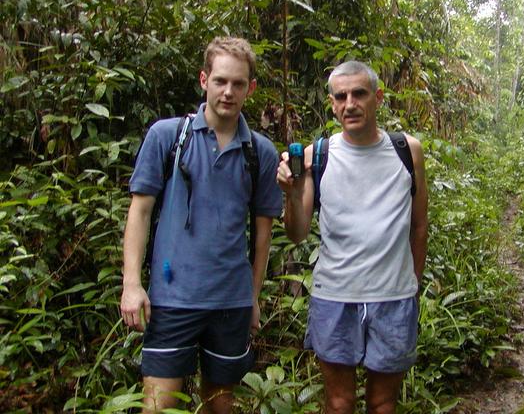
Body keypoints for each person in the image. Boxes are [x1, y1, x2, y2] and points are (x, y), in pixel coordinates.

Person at [120, 36, 282, 413]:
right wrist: (131, 284)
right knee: (158, 406)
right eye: (221, 81)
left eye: (238, 83)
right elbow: (140, 211)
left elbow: (262, 235)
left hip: (230, 302)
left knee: (220, 405)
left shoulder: (260, 152)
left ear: (251, 88)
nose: (228, 92)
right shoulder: (167, 136)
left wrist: (253, 298)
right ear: (204, 79)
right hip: (171, 299)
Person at [277, 60, 428, 414]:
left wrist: (412, 284)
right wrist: (291, 190)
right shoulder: (319, 156)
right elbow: (297, 234)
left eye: (359, 94)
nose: (350, 104)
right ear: (332, 104)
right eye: (341, 96)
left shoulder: (408, 151)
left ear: (378, 97)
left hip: (393, 298)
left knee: (382, 403)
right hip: (334, 297)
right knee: (339, 402)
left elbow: (419, 226)